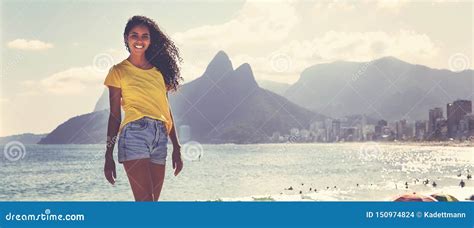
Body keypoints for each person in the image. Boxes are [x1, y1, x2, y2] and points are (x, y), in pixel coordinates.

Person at [103, 15, 183, 201]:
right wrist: (108, 154)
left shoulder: (159, 73)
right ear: (126, 38)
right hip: (134, 135)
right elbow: (115, 115)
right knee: (145, 202)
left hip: (160, 136)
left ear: (150, 40)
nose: (139, 40)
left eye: (144, 36)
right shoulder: (118, 71)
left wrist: (177, 147)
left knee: (153, 203)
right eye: (134, 35)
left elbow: (166, 109)